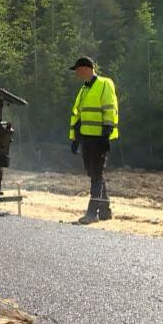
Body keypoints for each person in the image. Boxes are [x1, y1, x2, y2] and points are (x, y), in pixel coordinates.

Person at [68, 56, 119, 224]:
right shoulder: (84, 89)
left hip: (99, 138)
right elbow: (79, 115)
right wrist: (75, 138)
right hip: (86, 139)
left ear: (86, 68)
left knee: (96, 174)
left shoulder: (104, 84)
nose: (76, 73)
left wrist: (107, 130)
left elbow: (110, 108)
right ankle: (105, 211)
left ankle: (92, 213)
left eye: (77, 69)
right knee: (94, 173)